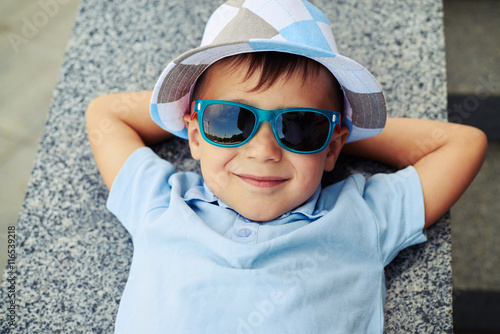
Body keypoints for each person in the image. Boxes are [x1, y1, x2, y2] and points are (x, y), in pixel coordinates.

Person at [86, 0, 487, 332]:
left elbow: (463, 144)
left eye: (298, 126)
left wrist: (337, 130)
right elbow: (105, 114)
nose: (263, 151)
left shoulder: (361, 218)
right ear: (193, 135)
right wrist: (315, 132)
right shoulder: (162, 203)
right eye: (230, 120)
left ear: (334, 148)